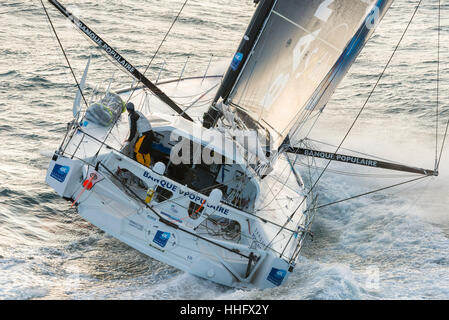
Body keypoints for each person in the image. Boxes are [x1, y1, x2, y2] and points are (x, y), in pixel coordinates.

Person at [125, 102, 154, 167]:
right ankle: (147, 166)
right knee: (145, 152)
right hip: (151, 134)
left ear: (128, 109)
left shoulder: (132, 116)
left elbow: (133, 130)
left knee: (138, 151)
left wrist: (129, 139)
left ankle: (142, 167)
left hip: (145, 136)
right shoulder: (138, 113)